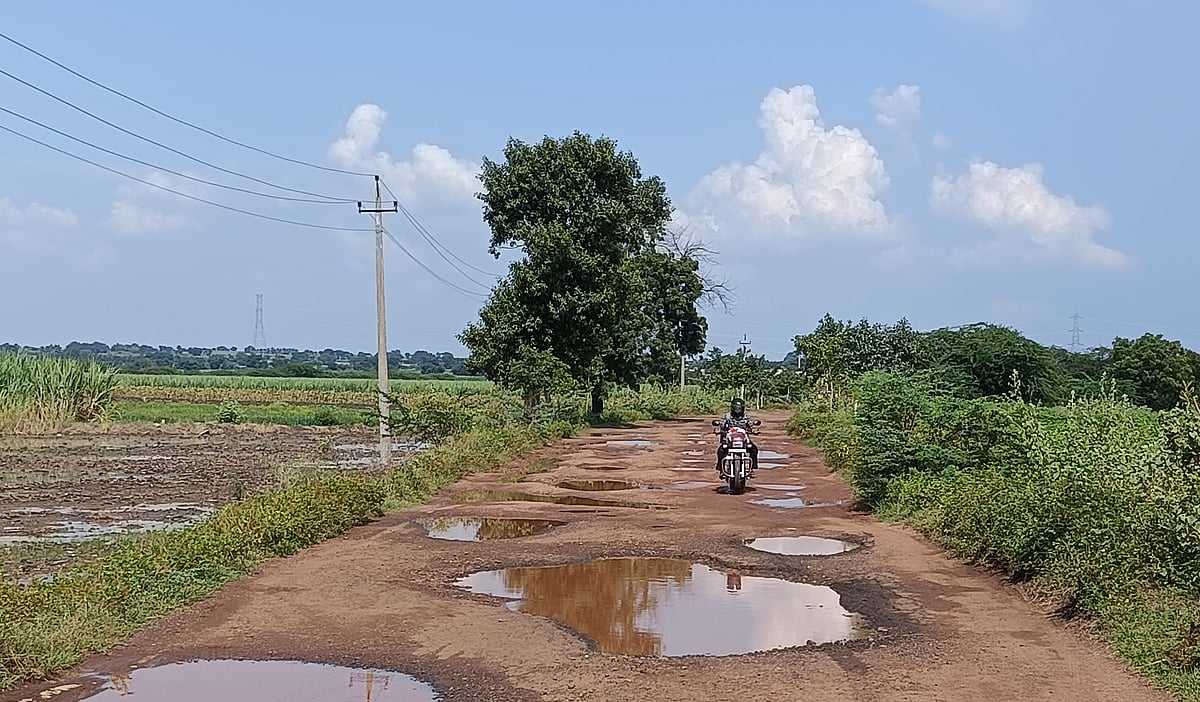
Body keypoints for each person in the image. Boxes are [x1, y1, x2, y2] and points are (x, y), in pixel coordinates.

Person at [716, 397, 759, 476]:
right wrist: (719, 429)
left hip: (742, 438)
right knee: (721, 450)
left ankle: (752, 468)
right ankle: (721, 469)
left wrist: (754, 430)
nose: (738, 410)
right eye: (737, 408)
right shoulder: (727, 416)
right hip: (730, 437)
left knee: (754, 449)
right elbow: (722, 424)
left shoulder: (745, 416)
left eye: (740, 408)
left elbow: (750, 425)